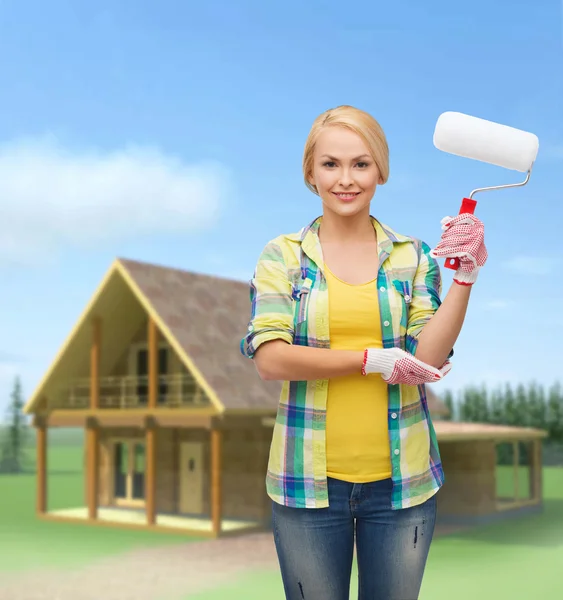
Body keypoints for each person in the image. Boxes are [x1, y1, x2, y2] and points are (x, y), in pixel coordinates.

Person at [239, 105, 487, 600]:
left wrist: (465, 277)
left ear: (381, 170)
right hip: (306, 486)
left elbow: (428, 359)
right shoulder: (283, 256)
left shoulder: (412, 256)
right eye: (330, 164)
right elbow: (270, 358)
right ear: (311, 171)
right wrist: (371, 360)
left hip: (403, 487)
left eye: (361, 164)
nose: (346, 179)